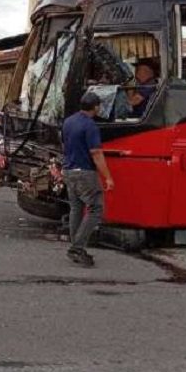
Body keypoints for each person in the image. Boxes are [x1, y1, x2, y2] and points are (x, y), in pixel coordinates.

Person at [61, 92, 115, 267]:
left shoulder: (68, 122)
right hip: (85, 172)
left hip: (69, 170)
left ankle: (76, 244)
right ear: (96, 107)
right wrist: (107, 177)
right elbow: (96, 153)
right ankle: (77, 247)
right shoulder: (90, 126)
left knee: (76, 208)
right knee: (95, 209)